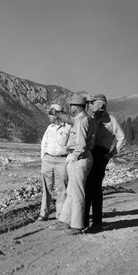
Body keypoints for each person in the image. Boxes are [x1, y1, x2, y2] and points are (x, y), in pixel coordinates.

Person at [50, 94, 94, 234]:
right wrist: (58, 114)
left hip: (79, 159)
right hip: (79, 158)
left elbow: (80, 145)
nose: (70, 107)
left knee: (77, 194)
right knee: (71, 192)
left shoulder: (82, 121)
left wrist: (73, 157)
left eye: (71, 105)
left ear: (77, 106)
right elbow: (69, 119)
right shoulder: (81, 119)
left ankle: (77, 225)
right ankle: (65, 221)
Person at [84, 94, 126, 230]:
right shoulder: (90, 118)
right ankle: (83, 220)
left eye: (93, 103)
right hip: (89, 153)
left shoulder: (111, 120)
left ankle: (96, 222)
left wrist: (111, 154)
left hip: (101, 154)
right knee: (86, 187)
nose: (90, 105)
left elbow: (122, 138)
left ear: (100, 104)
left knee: (95, 188)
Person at [37, 104, 72, 221]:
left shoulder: (68, 128)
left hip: (62, 160)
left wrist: (67, 159)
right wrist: (44, 157)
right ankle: (43, 213)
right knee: (46, 188)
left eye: (51, 114)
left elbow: (72, 145)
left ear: (57, 115)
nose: (48, 116)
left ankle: (60, 215)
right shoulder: (49, 127)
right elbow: (44, 143)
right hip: (48, 159)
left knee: (62, 189)